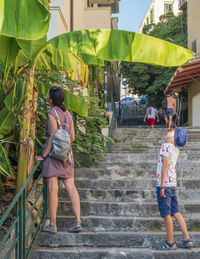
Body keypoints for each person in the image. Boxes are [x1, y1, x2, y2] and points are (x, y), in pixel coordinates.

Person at [35, 87, 82, 234]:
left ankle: (53, 224)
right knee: (71, 188)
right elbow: (72, 137)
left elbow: (53, 135)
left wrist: (44, 155)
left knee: (52, 188)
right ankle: (78, 222)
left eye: (48, 93)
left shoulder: (51, 113)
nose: (46, 94)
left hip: (53, 156)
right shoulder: (67, 114)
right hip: (67, 156)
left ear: (51, 98)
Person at [156, 128, 193, 250]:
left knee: (167, 214)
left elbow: (164, 167)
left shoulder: (165, 146)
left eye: (171, 132)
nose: (167, 133)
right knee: (175, 212)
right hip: (172, 184)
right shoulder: (176, 149)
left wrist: (161, 186)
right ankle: (187, 239)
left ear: (174, 138)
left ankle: (171, 242)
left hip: (165, 185)